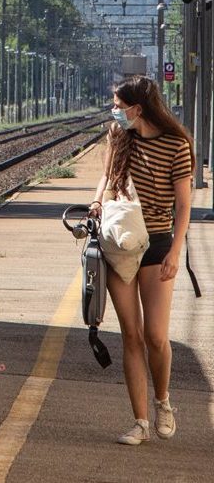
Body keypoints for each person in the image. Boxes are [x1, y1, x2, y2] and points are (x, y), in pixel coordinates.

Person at [89, 75, 193, 446]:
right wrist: (98, 201)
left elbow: (183, 205)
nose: (114, 111)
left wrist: (176, 251)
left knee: (155, 336)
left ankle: (163, 401)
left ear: (138, 108)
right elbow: (105, 177)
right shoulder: (119, 139)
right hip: (120, 243)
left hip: (158, 243)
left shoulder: (177, 145)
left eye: (118, 105)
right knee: (131, 335)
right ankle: (140, 422)